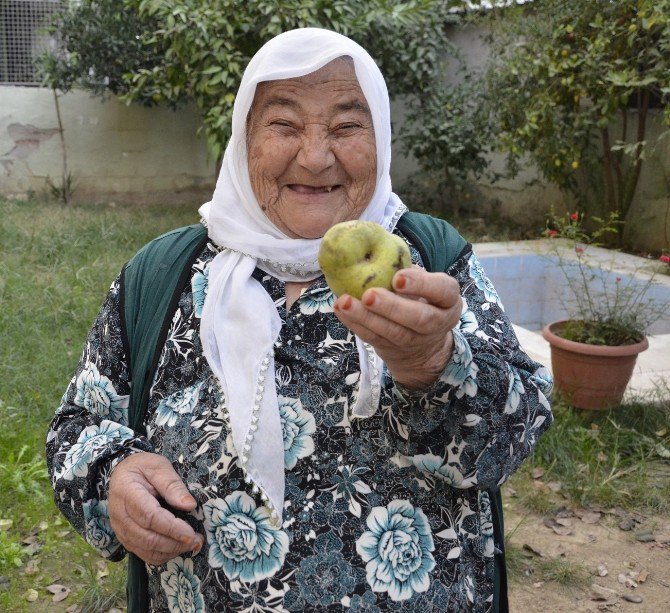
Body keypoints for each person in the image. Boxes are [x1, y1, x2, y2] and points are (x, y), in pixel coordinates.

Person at [46, 28, 553, 612]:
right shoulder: (164, 274)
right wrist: (112, 477)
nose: (315, 157)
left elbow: (516, 432)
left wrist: (433, 364)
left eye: (346, 126)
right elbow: (76, 427)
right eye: (284, 126)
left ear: (381, 137)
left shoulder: (428, 263)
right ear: (244, 139)